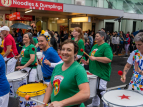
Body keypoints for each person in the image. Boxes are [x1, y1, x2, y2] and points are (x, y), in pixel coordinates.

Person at [36, 39, 90, 107]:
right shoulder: (57, 67)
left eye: (69, 50)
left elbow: (86, 93)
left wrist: (62, 103)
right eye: (63, 49)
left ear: (75, 53)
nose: (65, 52)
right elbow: (50, 87)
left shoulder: (78, 69)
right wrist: (43, 105)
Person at [81, 31, 113, 107]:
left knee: (101, 90)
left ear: (103, 37)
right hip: (94, 71)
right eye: (95, 36)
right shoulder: (94, 46)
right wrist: (87, 62)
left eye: (97, 36)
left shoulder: (106, 46)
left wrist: (95, 58)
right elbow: (91, 56)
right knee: (95, 89)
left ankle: (107, 105)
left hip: (102, 72)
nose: (95, 37)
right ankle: (95, 104)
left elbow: (109, 59)